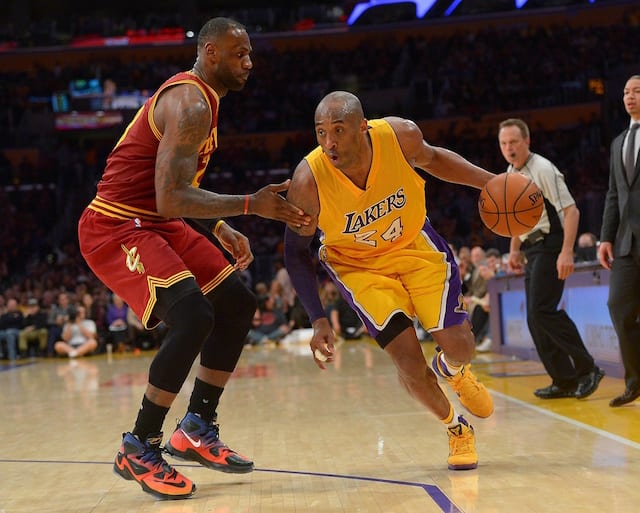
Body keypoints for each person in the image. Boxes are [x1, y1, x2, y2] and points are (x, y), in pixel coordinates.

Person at [77, 17, 310, 500]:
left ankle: (196, 425)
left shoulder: (205, 100)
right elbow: (169, 198)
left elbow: (175, 191)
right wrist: (249, 204)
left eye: (248, 53)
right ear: (209, 53)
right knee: (192, 315)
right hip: (116, 224)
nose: (248, 62)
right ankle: (140, 443)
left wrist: (220, 225)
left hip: (156, 221)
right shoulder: (189, 102)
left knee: (237, 304)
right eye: (238, 54)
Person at [283, 91, 495, 471]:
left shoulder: (399, 136)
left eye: (338, 130)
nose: (329, 142)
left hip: (415, 245)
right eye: (320, 132)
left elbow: (434, 159)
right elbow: (295, 252)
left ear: (363, 127)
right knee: (408, 361)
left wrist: (490, 182)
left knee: (461, 347)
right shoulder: (308, 180)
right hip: (359, 268)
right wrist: (317, 318)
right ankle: (456, 428)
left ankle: (453, 369)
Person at [498, 118, 604, 400]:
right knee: (535, 318)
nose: (509, 148)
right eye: (504, 143)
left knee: (543, 310)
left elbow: (572, 212)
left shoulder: (543, 169)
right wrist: (514, 250)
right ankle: (564, 379)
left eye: (514, 142)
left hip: (551, 243)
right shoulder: (509, 173)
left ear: (527, 142)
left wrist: (566, 251)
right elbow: (516, 219)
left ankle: (588, 369)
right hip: (533, 248)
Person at [598, 75, 640, 407]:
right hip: (626, 241)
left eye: (637, 91)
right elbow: (613, 195)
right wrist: (604, 238)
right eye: (626, 92)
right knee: (618, 307)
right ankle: (634, 381)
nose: (630, 96)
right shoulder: (618, 142)